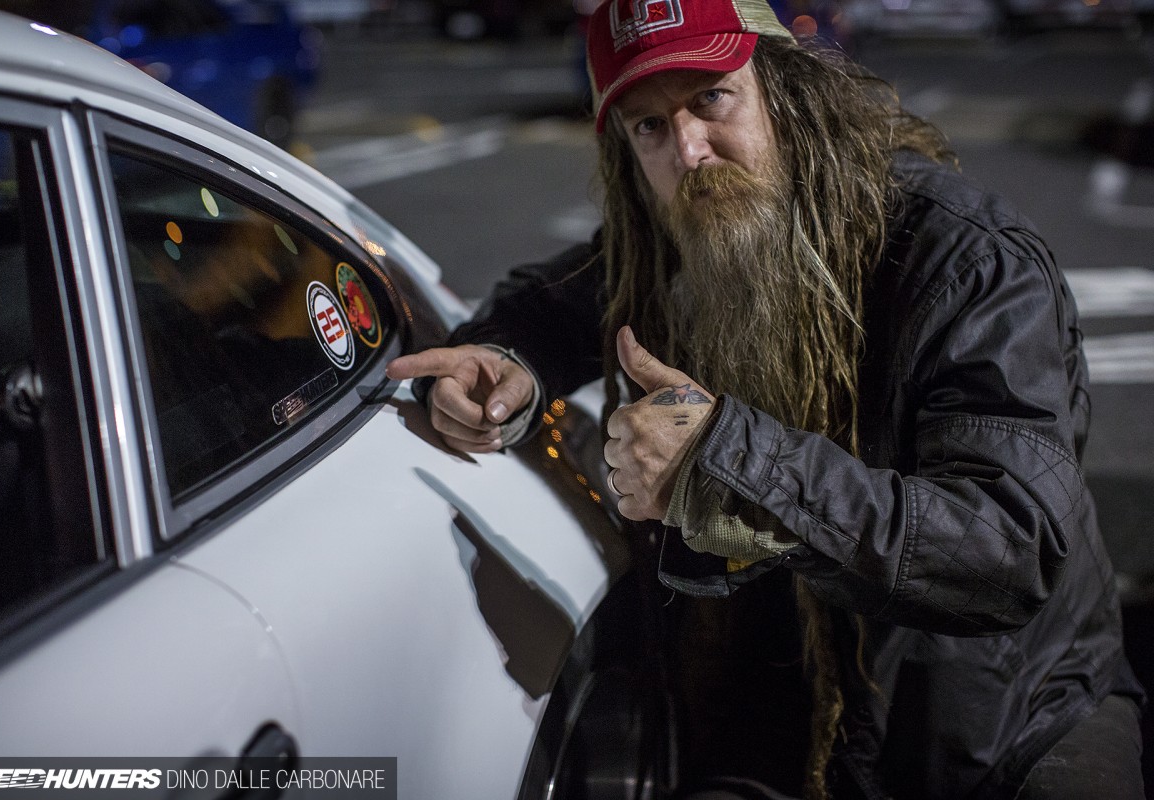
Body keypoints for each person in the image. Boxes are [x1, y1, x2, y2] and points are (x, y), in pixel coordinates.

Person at [387, 0, 1145, 797]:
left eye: (711, 97)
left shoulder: (965, 261)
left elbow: (1006, 549)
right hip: (798, 725)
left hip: (1012, 731)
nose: (688, 149)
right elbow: (549, 304)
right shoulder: (673, 246)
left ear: (786, 89)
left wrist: (723, 458)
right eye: (648, 126)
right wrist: (504, 364)